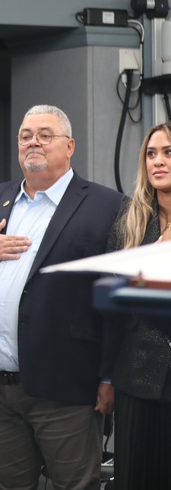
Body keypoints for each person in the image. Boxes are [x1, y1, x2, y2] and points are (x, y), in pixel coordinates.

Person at [0, 104, 125, 490]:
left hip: (67, 387)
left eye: (45, 134)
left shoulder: (107, 206)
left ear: (70, 146)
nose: (33, 142)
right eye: (25, 136)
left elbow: (115, 300)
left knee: (75, 485)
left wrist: (109, 376)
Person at [110, 122, 171, 489]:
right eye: (151, 153)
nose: (158, 161)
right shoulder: (132, 224)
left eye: (168, 152)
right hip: (136, 376)